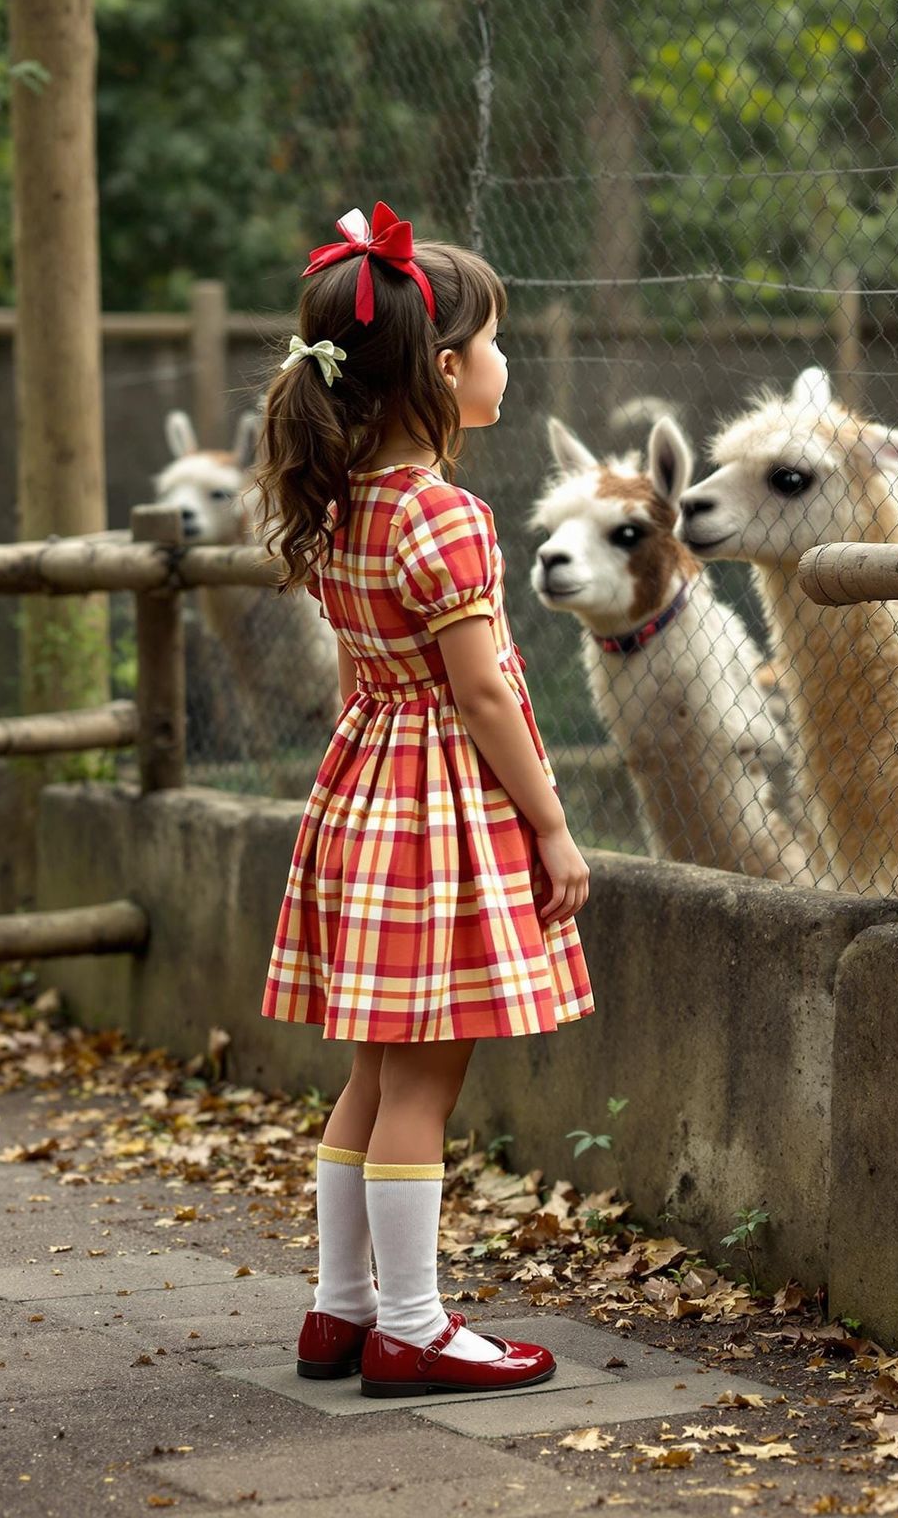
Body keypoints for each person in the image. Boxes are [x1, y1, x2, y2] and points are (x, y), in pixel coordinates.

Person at [256, 201, 594, 1397]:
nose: (507, 363)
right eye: (495, 343)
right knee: (423, 1081)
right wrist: (550, 825)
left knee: (370, 1072)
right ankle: (412, 1324)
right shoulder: (442, 514)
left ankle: (337, 1312)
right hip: (436, 812)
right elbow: (488, 693)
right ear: (444, 370)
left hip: (361, 796)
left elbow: (362, 670)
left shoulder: (343, 503)